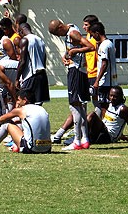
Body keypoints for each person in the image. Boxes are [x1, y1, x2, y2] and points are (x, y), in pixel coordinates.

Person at [51, 15, 100, 144]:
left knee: (75, 106)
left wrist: (75, 52)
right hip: (78, 70)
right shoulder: (70, 30)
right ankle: (84, 139)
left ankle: (77, 140)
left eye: (57, 33)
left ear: (60, 27)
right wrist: (66, 54)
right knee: (81, 106)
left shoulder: (73, 33)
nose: (57, 36)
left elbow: (90, 47)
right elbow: (72, 49)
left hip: (77, 71)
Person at [16, 23, 50, 104]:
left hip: (31, 76)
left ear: (21, 31)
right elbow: (44, 58)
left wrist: (17, 78)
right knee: (38, 104)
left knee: (24, 102)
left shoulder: (25, 40)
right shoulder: (40, 39)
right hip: (42, 75)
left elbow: (22, 61)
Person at [89, 22, 118, 112]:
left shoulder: (105, 45)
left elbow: (104, 63)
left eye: (92, 35)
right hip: (111, 81)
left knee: (104, 107)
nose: (92, 37)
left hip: (105, 82)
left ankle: (106, 125)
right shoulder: (109, 43)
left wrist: (97, 81)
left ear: (97, 33)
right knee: (108, 106)